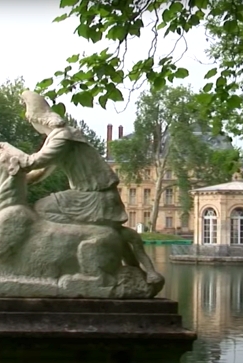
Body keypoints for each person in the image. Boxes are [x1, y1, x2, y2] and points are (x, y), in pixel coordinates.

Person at [10, 90, 163, 285]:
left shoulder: (62, 137)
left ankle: (78, 242)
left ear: (38, 120)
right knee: (118, 233)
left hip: (94, 196)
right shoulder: (62, 137)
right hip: (95, 195)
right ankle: (141, 269)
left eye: (32, 121)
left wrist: (13, 162)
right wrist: (21, 181)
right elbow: (41, 172)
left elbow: (37, 161)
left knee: (42, 208)